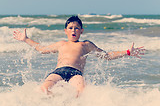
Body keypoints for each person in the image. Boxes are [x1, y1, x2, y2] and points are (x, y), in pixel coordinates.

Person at [13, 15, 145, 96]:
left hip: (76, 73)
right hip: (58, 71)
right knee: (44, 89)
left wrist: (127, 52)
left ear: (81, 31)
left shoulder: (85, 45)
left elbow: (106, 56)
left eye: (76, 28)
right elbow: (41, 49)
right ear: (65, 31)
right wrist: (26, 39)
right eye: (70, 28)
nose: (73, 30)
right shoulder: (61, 44)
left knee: (82, 91)